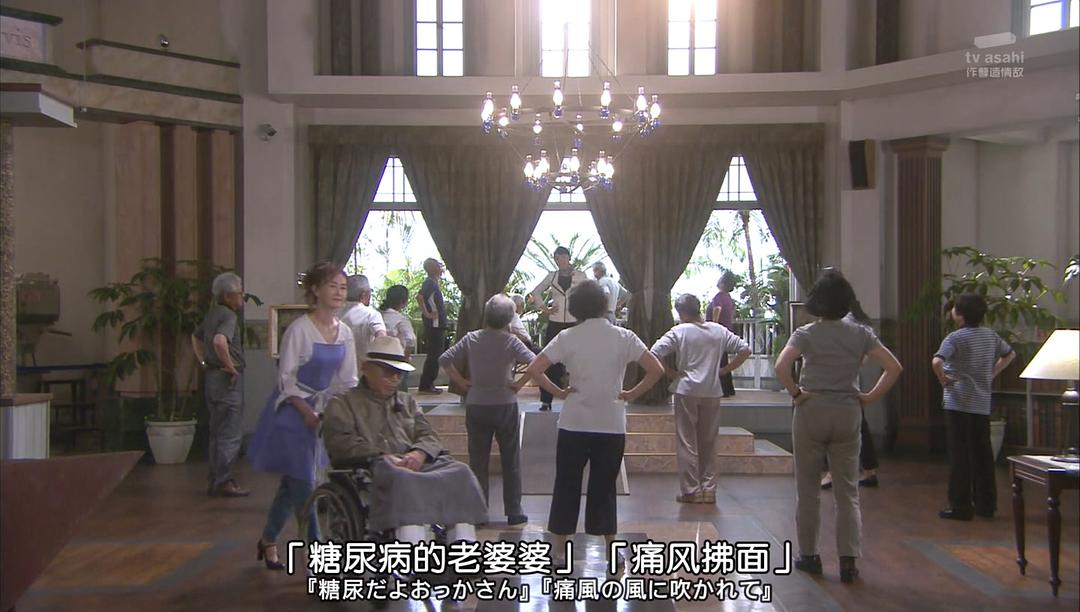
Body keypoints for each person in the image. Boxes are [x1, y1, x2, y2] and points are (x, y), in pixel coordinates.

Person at [523, 280, 665, 570]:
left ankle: (559, 551)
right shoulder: (624, 336)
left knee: (566, 484)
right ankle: (613, 551)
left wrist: (559, 392)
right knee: (605, 488)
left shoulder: (567, 336)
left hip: (573, 422)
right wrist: (631, 393)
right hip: (611, 423)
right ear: (603, 305)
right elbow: (656, 369)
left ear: (575, 308)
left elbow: (535, 369)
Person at [774, 269, 902, 584]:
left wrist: (796, 394)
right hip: (847, 411)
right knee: (847, 492)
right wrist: (869, 397)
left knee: (807, 490)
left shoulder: (805, 333)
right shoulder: (861, 334)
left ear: (816, 301)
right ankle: (848, 562)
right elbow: (893, 367)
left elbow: (781, 366)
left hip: (811, 410)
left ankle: (809, 556)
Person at [323, 336, 488, 544]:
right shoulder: (343, 403)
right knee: (403, 479)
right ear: (366, 368)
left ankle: (462, 543)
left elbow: (428, 434)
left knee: (460, 472)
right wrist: (381, 455)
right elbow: (340, 443)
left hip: (415, 461)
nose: (394, 379)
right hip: (376, 466)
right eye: (387, 372)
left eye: (399, 374)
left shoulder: (406, 401)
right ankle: (411, 546)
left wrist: (420, 452)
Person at [248, 262, 358, 571]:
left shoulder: (345, 332)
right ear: (315, 290)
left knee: (294, 482)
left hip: (322, 412)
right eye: (332, 286)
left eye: (343, 287)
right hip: (293, 413)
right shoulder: (300, 329)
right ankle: (318, 554)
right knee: (305, 485)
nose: (338, 292)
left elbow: (347, 380)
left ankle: (268, 539)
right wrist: (306, 410)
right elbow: (286, 379)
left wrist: (338, 411)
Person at [439, 295, 535, 526]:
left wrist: (461, 382)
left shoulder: (471, 338)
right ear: (509, 319)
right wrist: (519, 384)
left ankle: (480, 512)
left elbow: (444, 359)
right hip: (505, 404)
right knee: (510, 459)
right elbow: (536, 363)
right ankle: (514, 510)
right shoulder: (511, 341)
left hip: (476, 404)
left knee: (478, 460)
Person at [650, 294, 751, 504]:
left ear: (681, 312)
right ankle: (709, 489)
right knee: (709, 441)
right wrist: (724, 370)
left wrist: (670, 373)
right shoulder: (718, 330)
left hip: (686, 390)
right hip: (712, 391)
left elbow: (654, 352)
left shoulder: (679, 331)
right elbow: (745, 349)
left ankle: (691, 490)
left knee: (687, 441)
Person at [932, 292, 1015, 521]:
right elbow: (1010, 354)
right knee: (983, 453)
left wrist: (943, 378)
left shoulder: (954, 338)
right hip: (981, 403)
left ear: (959, 314)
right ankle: (986, 504)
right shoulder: (990, 336)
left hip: (957, 402)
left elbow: (937, 361)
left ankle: (960, 506)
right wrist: (992, 373)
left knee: (959, 454)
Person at [191, 272, 249, 498]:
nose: (242, 297)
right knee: (230, 433)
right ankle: (224, 481)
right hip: (227, 381)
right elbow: (219, 341)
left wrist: (203, 362)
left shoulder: (212, 314)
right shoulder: (229, 316)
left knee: (216, 432)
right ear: (227, 296)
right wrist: (231, 367)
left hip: (212, 379)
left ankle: (215, 479)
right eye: (239, 293)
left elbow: (195, 337)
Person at [821, 299, 882, 490]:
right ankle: (870, 470)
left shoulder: (842, 324)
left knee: (831, 428)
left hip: (833, 383)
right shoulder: (863, 325)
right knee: (859, 426)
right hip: (852, 381)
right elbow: (865, 359)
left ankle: (832, 473)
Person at [528, 246, 588, 410]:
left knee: (578, 360)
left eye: (562, 257)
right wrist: (545, 308)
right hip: (555, 322)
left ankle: (581, 397)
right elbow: (535, 292)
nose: (560, 261)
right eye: (556, 258)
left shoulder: (581, 276)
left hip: (575, 322)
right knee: (549, 360)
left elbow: (589, 292)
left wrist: (584, 311)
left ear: (568, 258)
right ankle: (546, 400)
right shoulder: (551, 276)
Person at [341, 274, 387, 378]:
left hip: (334, 375)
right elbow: (382, 338)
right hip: (362, 373)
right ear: (364, 294)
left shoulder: (334, 312)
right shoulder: (371, 314)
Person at [417, 258, 448, 394]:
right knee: (434, 355)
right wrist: (427, 314)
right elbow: (419, 297)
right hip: (434, 325)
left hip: (437, 324)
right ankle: (426, 384)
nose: (441, 268)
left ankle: (428, 383)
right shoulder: (430, 283)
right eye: (438, 266)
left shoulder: (433, 283)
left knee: (435, 354)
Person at [706, 271, 739, 397]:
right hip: (726, 331)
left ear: (723, 283)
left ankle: (722, 389)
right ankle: (727, 388)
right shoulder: (728, 298)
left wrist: (713, 326)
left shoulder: (719, 297)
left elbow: (717, 309)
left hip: (718, 332)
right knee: (722, 359)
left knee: (717, 360)